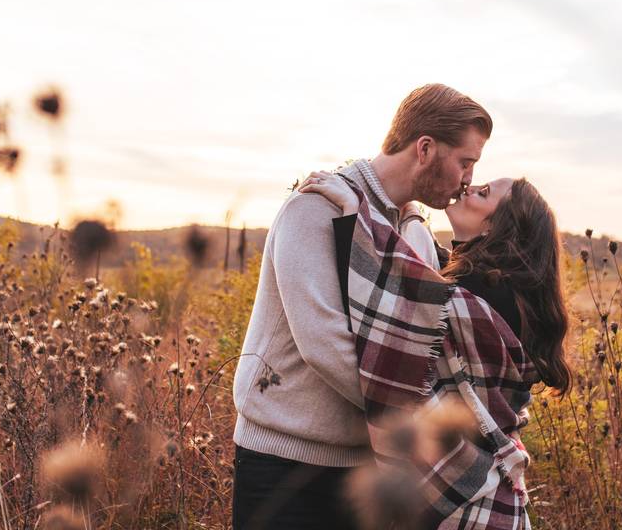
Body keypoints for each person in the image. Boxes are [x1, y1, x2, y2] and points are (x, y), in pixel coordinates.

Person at [231, 84, 493, 530]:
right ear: (425, 149)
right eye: (465, 162)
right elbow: (323, 344)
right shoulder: (314, 209)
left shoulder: (414, 232)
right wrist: (423, 420)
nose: (468, 178)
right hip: (283, 461)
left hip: (372, 468)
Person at [298, 172, 572, 527]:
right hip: (489, 492)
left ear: (499, 226)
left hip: (465, 486)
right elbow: (428, 276)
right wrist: (411, 215)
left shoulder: (485, 294)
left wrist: (355, 214)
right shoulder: (495, 288)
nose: (470, 188)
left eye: (484, 193)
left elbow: (389, 308)